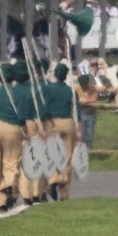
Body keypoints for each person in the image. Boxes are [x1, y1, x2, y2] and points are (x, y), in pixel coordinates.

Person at [0, 64, 28, 214]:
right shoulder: (17, 94)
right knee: (12, 162)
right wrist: (25, 132)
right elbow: (22, 117)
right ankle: (9, 185)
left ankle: (2, 201)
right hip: (13, 128)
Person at [39, 63, 80, 203]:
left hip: (54, 123)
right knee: (67, 157)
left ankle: (53, 179)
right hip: (68, 123)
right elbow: (77, 112)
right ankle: (64, 192)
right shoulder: (71, 91)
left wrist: (47, 122)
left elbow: (43, 110)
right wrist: (79, 130)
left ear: (55, 75)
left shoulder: (48, 89)